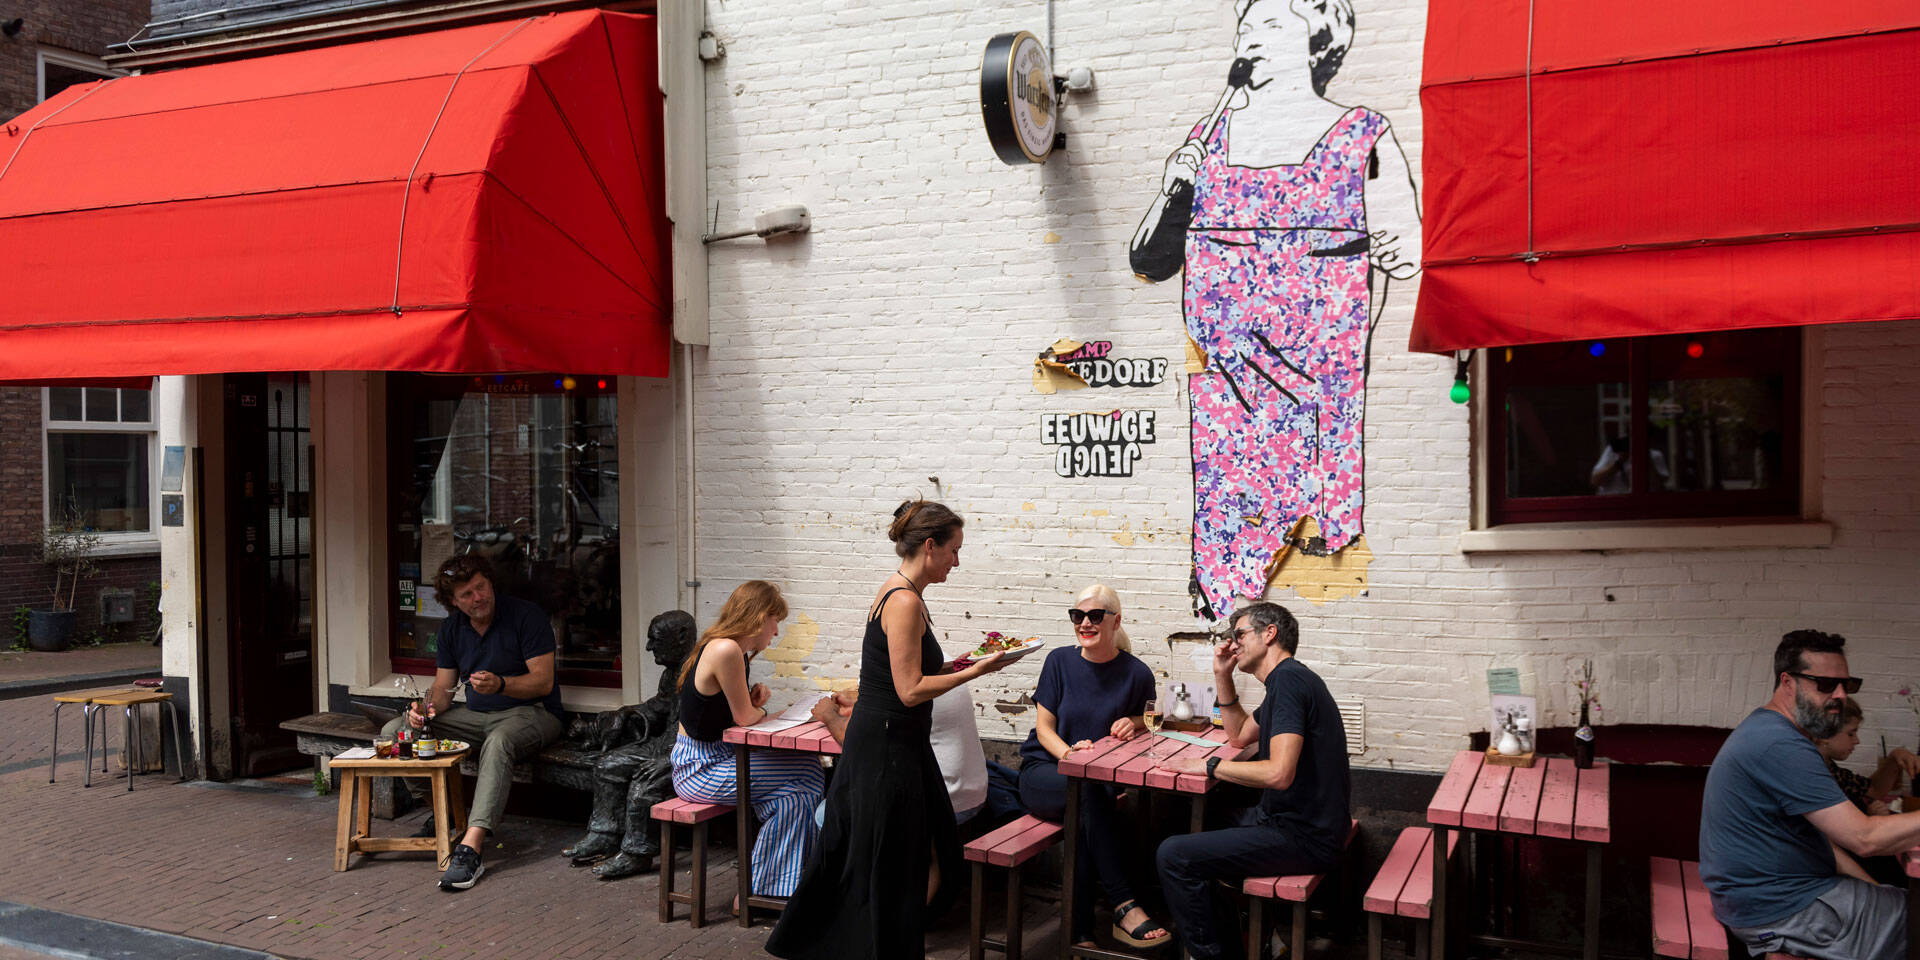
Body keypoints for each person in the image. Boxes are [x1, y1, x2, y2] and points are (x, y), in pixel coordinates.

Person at [1129, 0, 1419, 619]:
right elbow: (1150, 260)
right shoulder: (1209, 138)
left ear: (1319, 39)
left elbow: (1407, 248)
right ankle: (1223, 631)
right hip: (1227, 397)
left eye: (1269, 23)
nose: (1249, 35)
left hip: (1313, 391)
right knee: (1226, 543)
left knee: (1297, 521)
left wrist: (1395, 248)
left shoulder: (1361, 135)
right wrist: (1171, 187)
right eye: (1245, 25)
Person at [767, 499, 1013, 959]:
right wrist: (976, 673)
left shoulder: (902, 594)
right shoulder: (902, 600)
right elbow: (909, 689)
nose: (957, 562)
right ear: (929, 545)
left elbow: (895, 676)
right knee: (888, 862)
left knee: (920, 853)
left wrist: (968, 662)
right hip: (886, 750)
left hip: (900, 745)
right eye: (954, 550)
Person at [1700, 629, 1920, 960]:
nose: (1841, 695)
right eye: (1826, 685)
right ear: (1787, 683)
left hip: (1777, 898)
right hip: (1785, 910)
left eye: (1849, 685)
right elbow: (1865, 838)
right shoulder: (1779, 744)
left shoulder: (1771, 731)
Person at [1157, 601, 1350, 960]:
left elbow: (1278, 773)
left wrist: (1210, 767)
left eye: (1240, 633)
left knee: (1174, 855)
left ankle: (1210, 954)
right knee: (1191, 822)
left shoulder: (1290, 682)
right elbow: (1239, 735)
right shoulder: (1286, 681)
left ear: (1270, 634)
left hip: (1305, 837)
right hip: (1297, 822)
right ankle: (1251, 938)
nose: (1233, 643)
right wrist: (1222, 676)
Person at [381, 553, 566, 891]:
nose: (478, 598)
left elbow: (543, 682)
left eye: (481, 588)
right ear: (453, 601)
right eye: (467, 594)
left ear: (490, 583)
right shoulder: (452, 628)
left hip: (533, 712)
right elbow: (444, 688)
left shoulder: (526, 616)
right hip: (477, 715)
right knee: (397, 732)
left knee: (499, 743)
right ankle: (443, 812)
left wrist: (502, 684)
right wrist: (424, 709)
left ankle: (471, 847)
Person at [1017, 584, 1164, 948]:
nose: (1085, 623)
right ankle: (1123, 903)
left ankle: (1080, 936)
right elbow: (1043, 729)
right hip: (1044, 773)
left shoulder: (1137, 674)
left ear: (1115, 622)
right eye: (1077, 616)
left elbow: (1152, 719)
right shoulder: (1059, 661)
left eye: (1095, 616)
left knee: (1085, 809)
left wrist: (1133, 719)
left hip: (1095, 786)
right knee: (1083, 794)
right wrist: (1069, 755)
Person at [669, 580, 825, 901]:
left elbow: (733, 715)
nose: (776, 632)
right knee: (808, 772)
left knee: (793, 797)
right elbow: (746, 720)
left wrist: (753, 705)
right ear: (760, 617)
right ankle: (762, 889)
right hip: (699, 769)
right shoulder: (726, 650)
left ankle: (768, 891)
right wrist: (764, 709)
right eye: (775, 621)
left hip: (716, 758)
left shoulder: (728, 649)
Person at [560, 609, 697, 879]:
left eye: (655, 639)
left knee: (643, 782)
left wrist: (671, 758)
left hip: (684, 752)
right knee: (607, 765)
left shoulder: (697, 672)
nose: (648, 647)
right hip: (661, 746)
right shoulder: (672, 673)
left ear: (681, 637)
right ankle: (604, 835)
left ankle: (637, 853)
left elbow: (705, 726)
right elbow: (659, 707)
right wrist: (626, 712)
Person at [810, 685, 1023, 837]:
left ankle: (859, 891)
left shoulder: (898, 673)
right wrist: (862, 698)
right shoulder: (939, 667)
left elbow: (854, 740)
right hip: (969, 794)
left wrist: (829, 715)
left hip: (940, 802)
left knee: (827, 813)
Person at [1815, 697, 1919, 887]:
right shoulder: (1813, 774)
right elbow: (1830, 841)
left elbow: (1874, 790)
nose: (1857, 741)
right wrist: (1866, 817)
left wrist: (1896, 757)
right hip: (1833, 873)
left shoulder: (1830, 768)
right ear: (1825, 736)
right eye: (1851, 733)